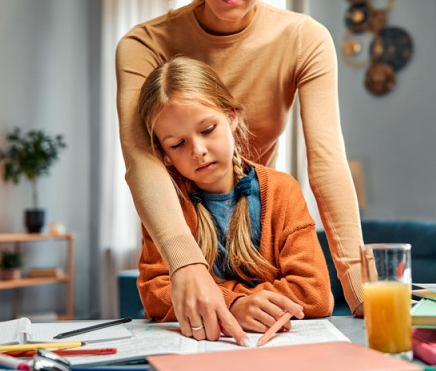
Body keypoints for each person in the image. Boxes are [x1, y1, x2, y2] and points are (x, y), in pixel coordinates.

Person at [116, 0, 363, 345]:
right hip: (185, 219)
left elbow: (327, 160)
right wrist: (187, 267)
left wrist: (360, 287)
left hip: (260, 235)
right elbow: (141, 160)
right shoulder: (143, 45)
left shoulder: (304, 38)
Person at [135, 56, 333, 336]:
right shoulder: (164, 202)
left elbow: (314, 293)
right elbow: (155, 295)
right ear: (163, 153)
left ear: (231, 117)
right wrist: (236, 305)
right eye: (177, 144)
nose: (198, 150)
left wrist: (216, 299)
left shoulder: (282, 190)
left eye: (207, 130)